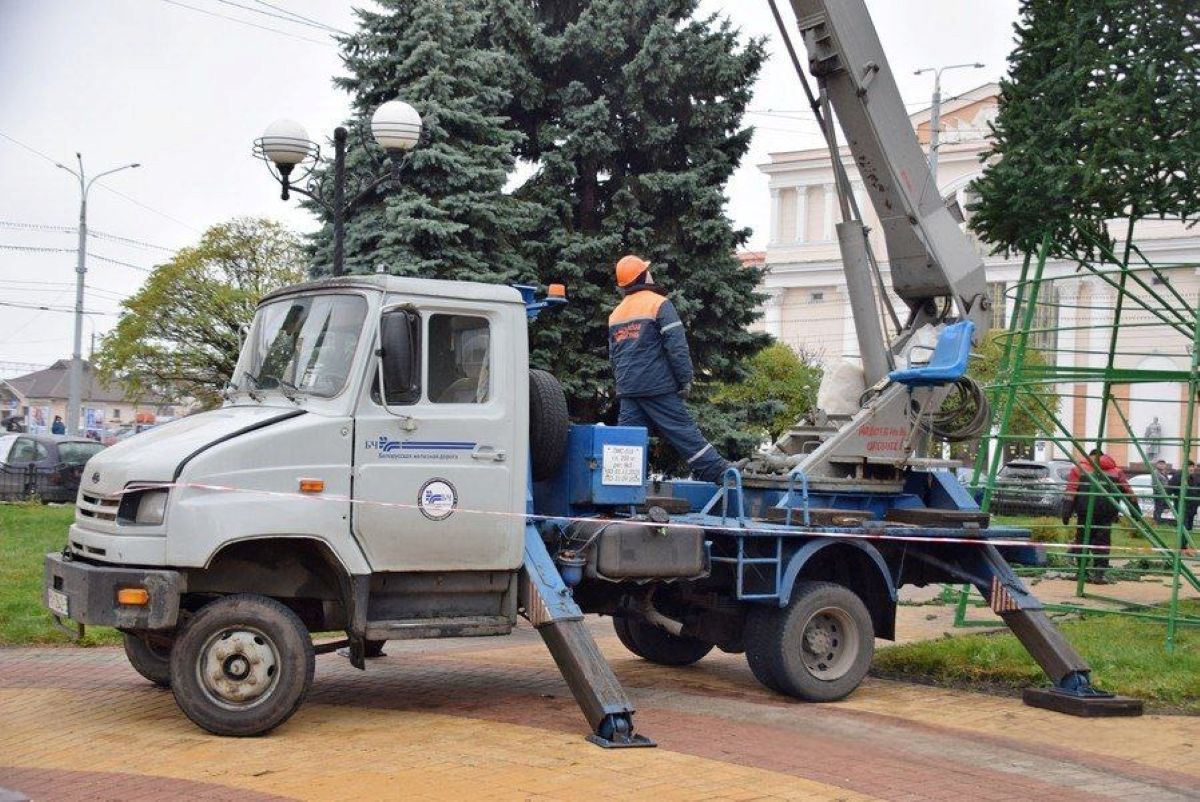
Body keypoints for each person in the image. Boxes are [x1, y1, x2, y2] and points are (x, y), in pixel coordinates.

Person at [608, 254, 729, 483]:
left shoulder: (616, 314)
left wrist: (623, 385)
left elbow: (614, 356)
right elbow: (676, 346)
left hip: (629, 390)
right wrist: (685, 380)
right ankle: (718, 472)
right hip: (657, 387)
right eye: (647, 269)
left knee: (627, 447)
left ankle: (622, 493)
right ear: (643, 276)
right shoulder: (658, 304)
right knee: (682, 430)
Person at [1061, 449, 1135, 584]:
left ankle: (1082, 572)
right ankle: (1099, 575)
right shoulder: (1117, 471)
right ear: (1103, 456)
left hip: (1085, 512)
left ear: (1090, 456)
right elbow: (1128, 492)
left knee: (1082, 542)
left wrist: (1066, 512)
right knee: (1102, 544)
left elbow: (1070, 492)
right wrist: (1136, 512)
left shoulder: (1079, 469)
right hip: (1107, 514)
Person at [1167, 461, 1199, 540]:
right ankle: (1182, 547)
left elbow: (1196, 491)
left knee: (1189, 527)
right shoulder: (1178, 476)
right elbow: (1169, 489)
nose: (1191, 468)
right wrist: (1166, 504)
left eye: (1192, 466)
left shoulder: (1193, 477)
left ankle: (1185, 546)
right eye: (1189, 467)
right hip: (1182, 505)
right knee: (1184, 526)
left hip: (1192, 506)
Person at [1152, 459, 1172, 524]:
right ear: (1156, 465)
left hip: (1165, 494)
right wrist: (1161, 492)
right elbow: (1155, 485)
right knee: (1158, 509)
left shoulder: (1164, 473)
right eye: (1160, 463)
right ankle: (1156, 522)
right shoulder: (1155, 473)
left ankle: (1158, 522)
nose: (1162, 465)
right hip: (1158, 494)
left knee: (1161, 509)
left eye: (1163, 464)